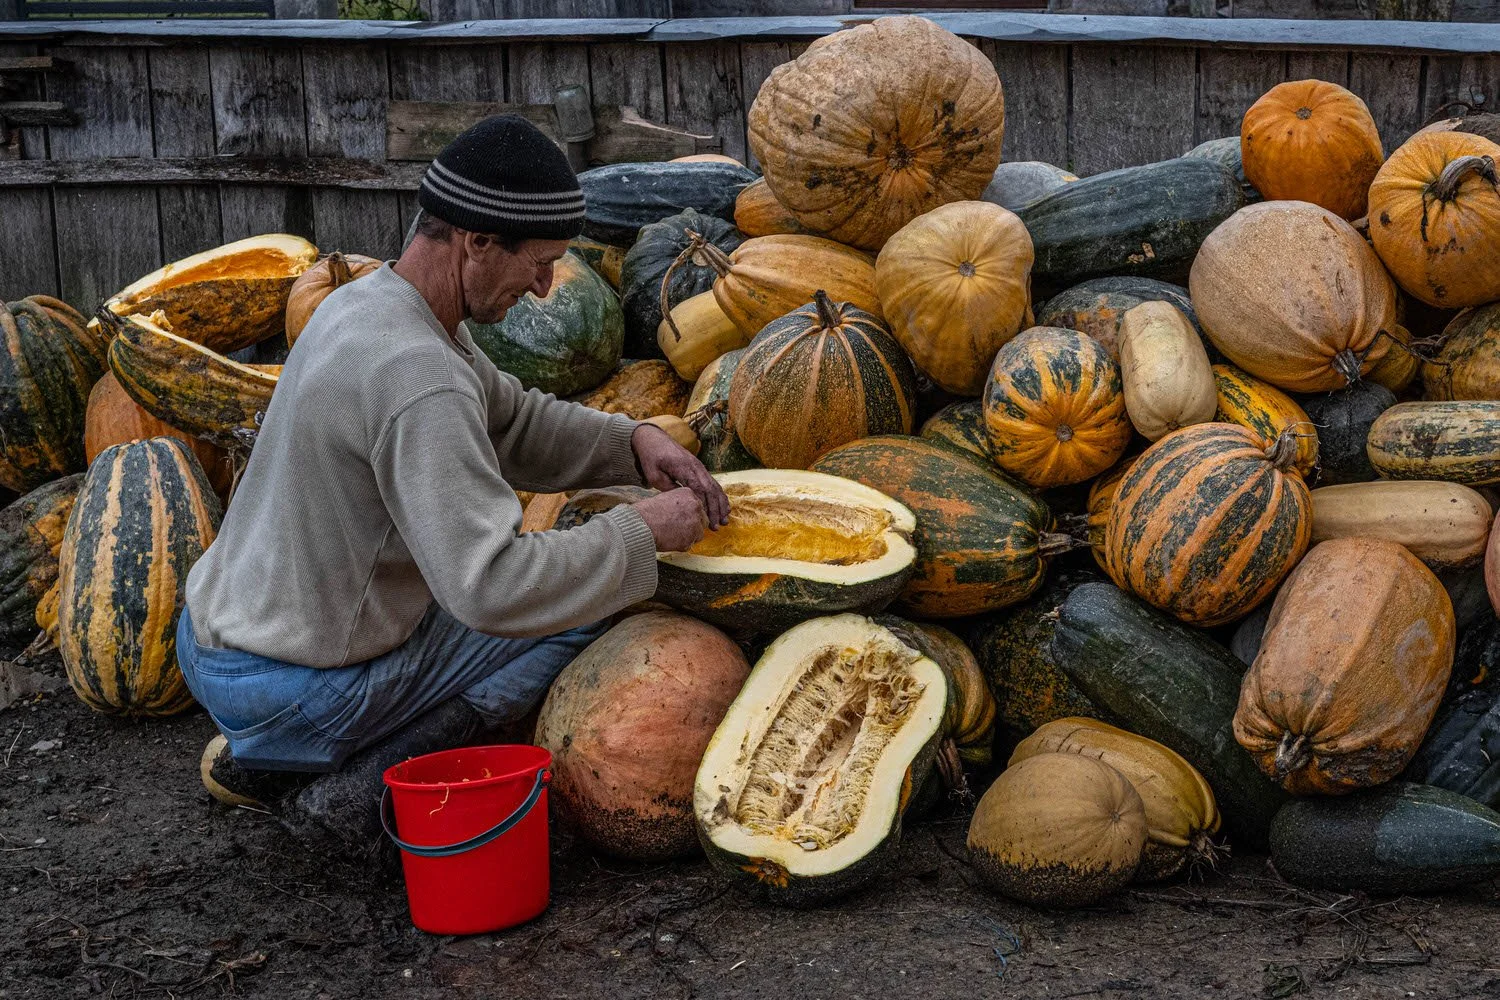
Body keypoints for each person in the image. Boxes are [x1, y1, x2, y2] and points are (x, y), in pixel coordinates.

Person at [178, 114, 729, 850]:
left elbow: (514, 425)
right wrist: (641, 535)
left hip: (219, 641)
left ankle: (285, 762)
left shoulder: (373, 304)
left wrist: (635, 441)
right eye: (538, 263)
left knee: (576, 564)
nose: (541, 290)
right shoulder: (417, 374)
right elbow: (492, 588)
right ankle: (363, 788)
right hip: (287, 691)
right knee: (585, 598)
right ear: (475, 241)